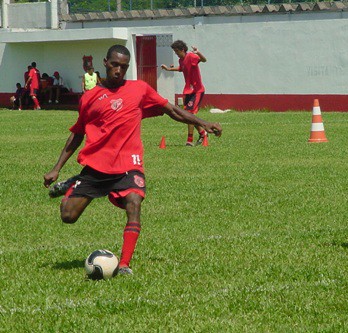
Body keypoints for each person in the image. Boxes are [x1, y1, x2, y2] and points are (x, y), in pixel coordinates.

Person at [43, 44, 222, 275]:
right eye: (115, 65)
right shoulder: (89, 97)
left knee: (134, 204)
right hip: (97, 166)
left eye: (124, 67)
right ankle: (73, 182)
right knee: (68, 216)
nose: (119, 70)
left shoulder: (139, 89)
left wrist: (203, 123)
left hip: (129, 165)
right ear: (105, 63)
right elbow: (78, 132)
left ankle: (125, 264)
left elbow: (172, 110)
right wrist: (56, 168)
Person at [161, 40, 207, 146]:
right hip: (188, 91)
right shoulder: (181, 60)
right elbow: (181, 68)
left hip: (197, 90)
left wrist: (198, 52)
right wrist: (168, 69)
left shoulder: (191, 56)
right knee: (188, 115)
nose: (176, 53)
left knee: (189, 114)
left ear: (183, 49)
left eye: (177, 51)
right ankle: (202, 133)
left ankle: (189, 140)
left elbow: (204, 60)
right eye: (175, 51)